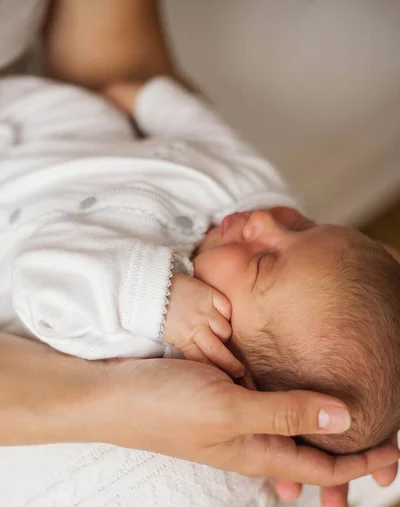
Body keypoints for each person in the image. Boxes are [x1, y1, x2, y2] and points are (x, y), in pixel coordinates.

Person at [2, 73, 400, 459]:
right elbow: (210, 136)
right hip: (40, 123)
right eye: (304, 225)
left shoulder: (137, 334)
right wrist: (150, 100)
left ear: (224, 356)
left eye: (262, 263)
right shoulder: (256, 196)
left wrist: (155, 296)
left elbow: (37, 280)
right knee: (88, 113)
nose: (267, 222)